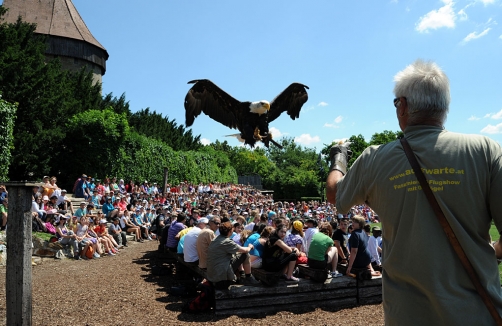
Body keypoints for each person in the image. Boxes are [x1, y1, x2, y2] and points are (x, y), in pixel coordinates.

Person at [326, 60, 502, 324]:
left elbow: (335, 196)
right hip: (476, 314)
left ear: (403, 105)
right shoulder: (486, 150)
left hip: (406, 316)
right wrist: (490, 250)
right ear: (444, 107)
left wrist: (338, 158)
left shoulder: (374, 159)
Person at [206, 220, 260, 289]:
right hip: (221, 278)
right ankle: (248, 277)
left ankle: (242, 275)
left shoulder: (216, 239)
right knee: (245, 254)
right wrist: (250, 246)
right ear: (230, 232)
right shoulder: (226, 242)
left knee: (237, 254)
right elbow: (245, 250)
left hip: (212, 274)